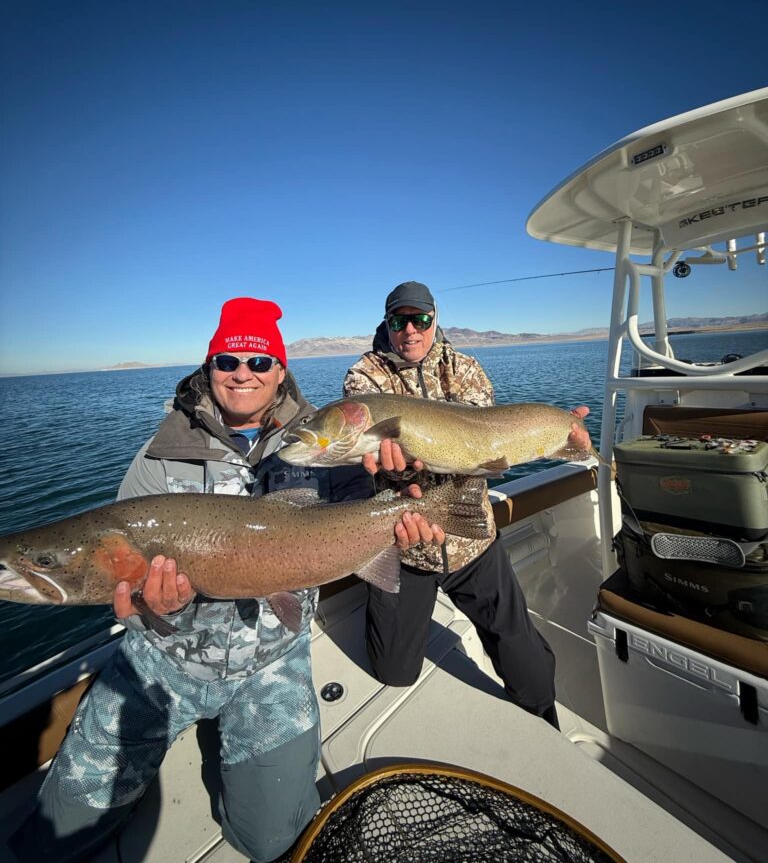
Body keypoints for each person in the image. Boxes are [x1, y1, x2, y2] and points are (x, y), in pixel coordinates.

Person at [10, 297, 439, 863]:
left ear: (280, 371)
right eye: (227, 360)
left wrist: (406, 500)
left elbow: (373, 510)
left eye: (260, 363)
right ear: (207, 368)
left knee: (272, 842)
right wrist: (145, 604)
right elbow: (121, 585)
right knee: (50, 840)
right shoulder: (156, 461)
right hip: (163, 664)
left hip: (274, 661)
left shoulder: (329, 445)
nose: (243, 373)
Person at [343, 280, 592, 730]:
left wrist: (562, 437)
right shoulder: (366, 378)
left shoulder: (464, 368)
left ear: (434, 319)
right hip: (407, 545)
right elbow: (373, 461)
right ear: (387, 324)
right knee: (393, 672)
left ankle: (544, 722)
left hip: (471, 536)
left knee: (526, 663)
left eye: (420, 319)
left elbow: (485, 445)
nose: (411, 331)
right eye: (400, 321)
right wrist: (397, 471)